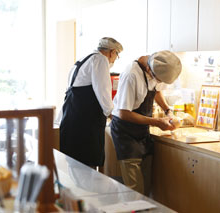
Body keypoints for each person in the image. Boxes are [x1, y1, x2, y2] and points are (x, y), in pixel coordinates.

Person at [110, 50, 182, 195]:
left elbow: (156, 91)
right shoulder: (131, 75)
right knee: (134, 189)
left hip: (142, 131)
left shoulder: (155, 69)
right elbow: (124, 113)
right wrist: (156, 122)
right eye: (159, 79)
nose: (159, 83)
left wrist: (168, 111)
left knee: (147, 185)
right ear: (149, 69)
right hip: (126, 132)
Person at [60, 37, 123, 170]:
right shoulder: (100, 60)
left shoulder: (83, 60)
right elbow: (103, 91)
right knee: (88, 166)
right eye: (117, 55)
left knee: (75, 164)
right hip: (86, 122)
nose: (115, 59)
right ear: (112, 52)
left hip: (72, 118)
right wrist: (113, 115)